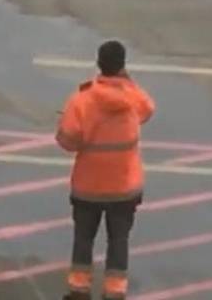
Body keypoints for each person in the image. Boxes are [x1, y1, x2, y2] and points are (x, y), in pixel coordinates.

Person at [55, 40, 155, 300]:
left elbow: (67, 140)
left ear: (98, 63)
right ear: (123, 66)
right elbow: (148, 109)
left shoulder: (82, 99)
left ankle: (79, 287)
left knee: (84, 239)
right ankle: (114, 290)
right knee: (119, 240)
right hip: (124, 186)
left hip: (88, 186)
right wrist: (128, 82)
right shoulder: (132, 97)